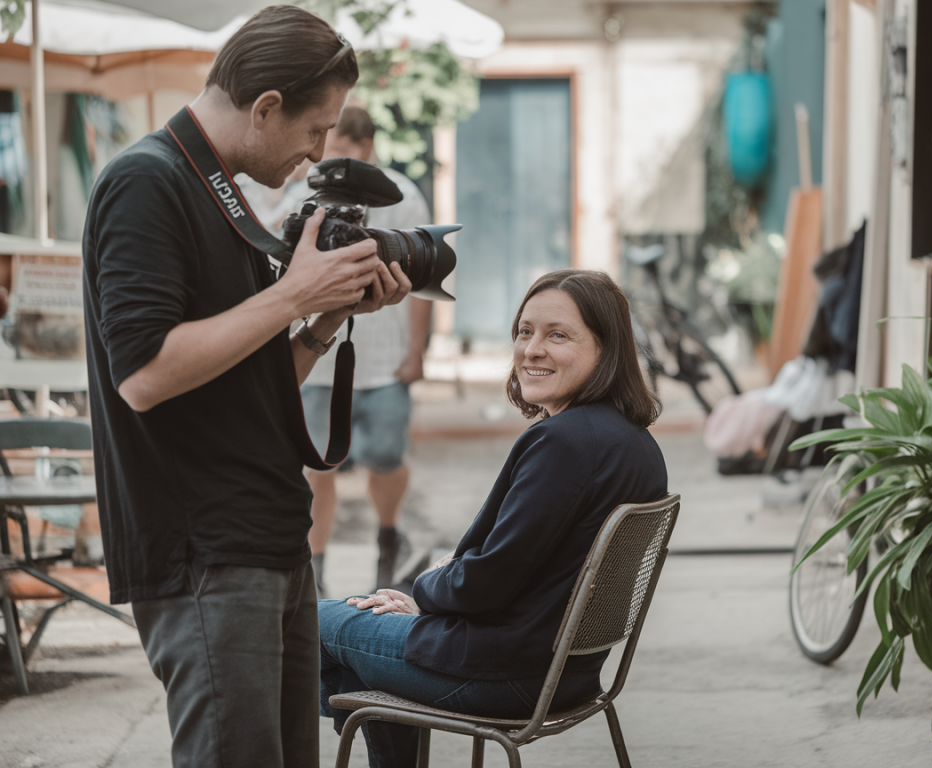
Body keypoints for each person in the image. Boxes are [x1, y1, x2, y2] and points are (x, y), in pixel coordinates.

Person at [81, 7, 411, 768]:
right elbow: (145, 375)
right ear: (266, 107)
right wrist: (293, 295)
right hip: (205, 550)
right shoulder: (147, 182)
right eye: (315, 129)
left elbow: (248, 383)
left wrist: (324, 321)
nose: (318, 152)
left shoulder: (220, 193)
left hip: (267, 537)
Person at [319, 269, 668, 767]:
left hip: (504, 674)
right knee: (357, 649)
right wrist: (439, 600)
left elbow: (487, 581)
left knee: (313, 622)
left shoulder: (564, 443)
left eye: (558, 335)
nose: (532, 349)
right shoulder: (636, 443)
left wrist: (425, 592)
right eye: (525, 331)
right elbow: (518, 574)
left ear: (606, 347)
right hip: (570, 672)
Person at [302, 106, 434, 595]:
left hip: (384, 360)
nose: (335, 161)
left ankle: (388, 536)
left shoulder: (403, 196)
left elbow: (423, 280)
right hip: (317, 361)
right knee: (318, 468)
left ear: (367, 149)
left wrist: (416, 351)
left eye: (344, 151)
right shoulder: (305, 193)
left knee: (385, 456)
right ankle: (315, 568)